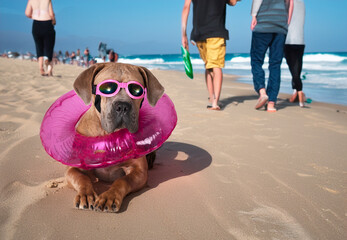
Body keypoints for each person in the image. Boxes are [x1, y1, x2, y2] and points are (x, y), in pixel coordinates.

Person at [182, 0, 241, 111]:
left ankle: (212, 98)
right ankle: (214, 102)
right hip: (216, 32)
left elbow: (186, 8)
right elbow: (233, 2)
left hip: (199, 33)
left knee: (209, 66)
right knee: (215, 65)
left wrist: (183, 34)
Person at [250, 0, 293, 112]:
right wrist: (287, 21)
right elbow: (290, 2)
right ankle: (271, 104)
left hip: (263, 23)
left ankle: (262, 92)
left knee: (256, 60)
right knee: (275, 64)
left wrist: (254, 16)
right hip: (280, 25)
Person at [25, 0, 56, 76]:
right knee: (48, 48)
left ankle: (41, 69)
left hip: (36, 24)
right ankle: (49, 69)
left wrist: (34, 16)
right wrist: (54, 20)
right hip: (47, 23)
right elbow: (51, 13)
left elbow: (27, 13)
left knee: (39, 47)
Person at [284, 0, 306, 107]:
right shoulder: (302, 3)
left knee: (293, 70)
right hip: (300, 41)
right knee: (297, 69)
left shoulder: (286, 3)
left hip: (289, 41)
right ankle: (296, 93)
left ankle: (300, 91)